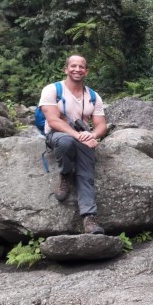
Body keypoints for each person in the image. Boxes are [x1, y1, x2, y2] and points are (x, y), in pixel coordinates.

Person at [39, 55, 107, 235]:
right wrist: (80, 135)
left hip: (82, 137)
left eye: (81, 67)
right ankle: (65, 173)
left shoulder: (93, 96)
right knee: (67, 141)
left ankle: (89, 218)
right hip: (58, 135)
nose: (77, 69)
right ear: (66, 69)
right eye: (73, 66)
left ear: (86, 71)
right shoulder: (52, 90)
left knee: (86, 171)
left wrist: (91, 134)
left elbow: (101, 125)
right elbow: (53, 120)